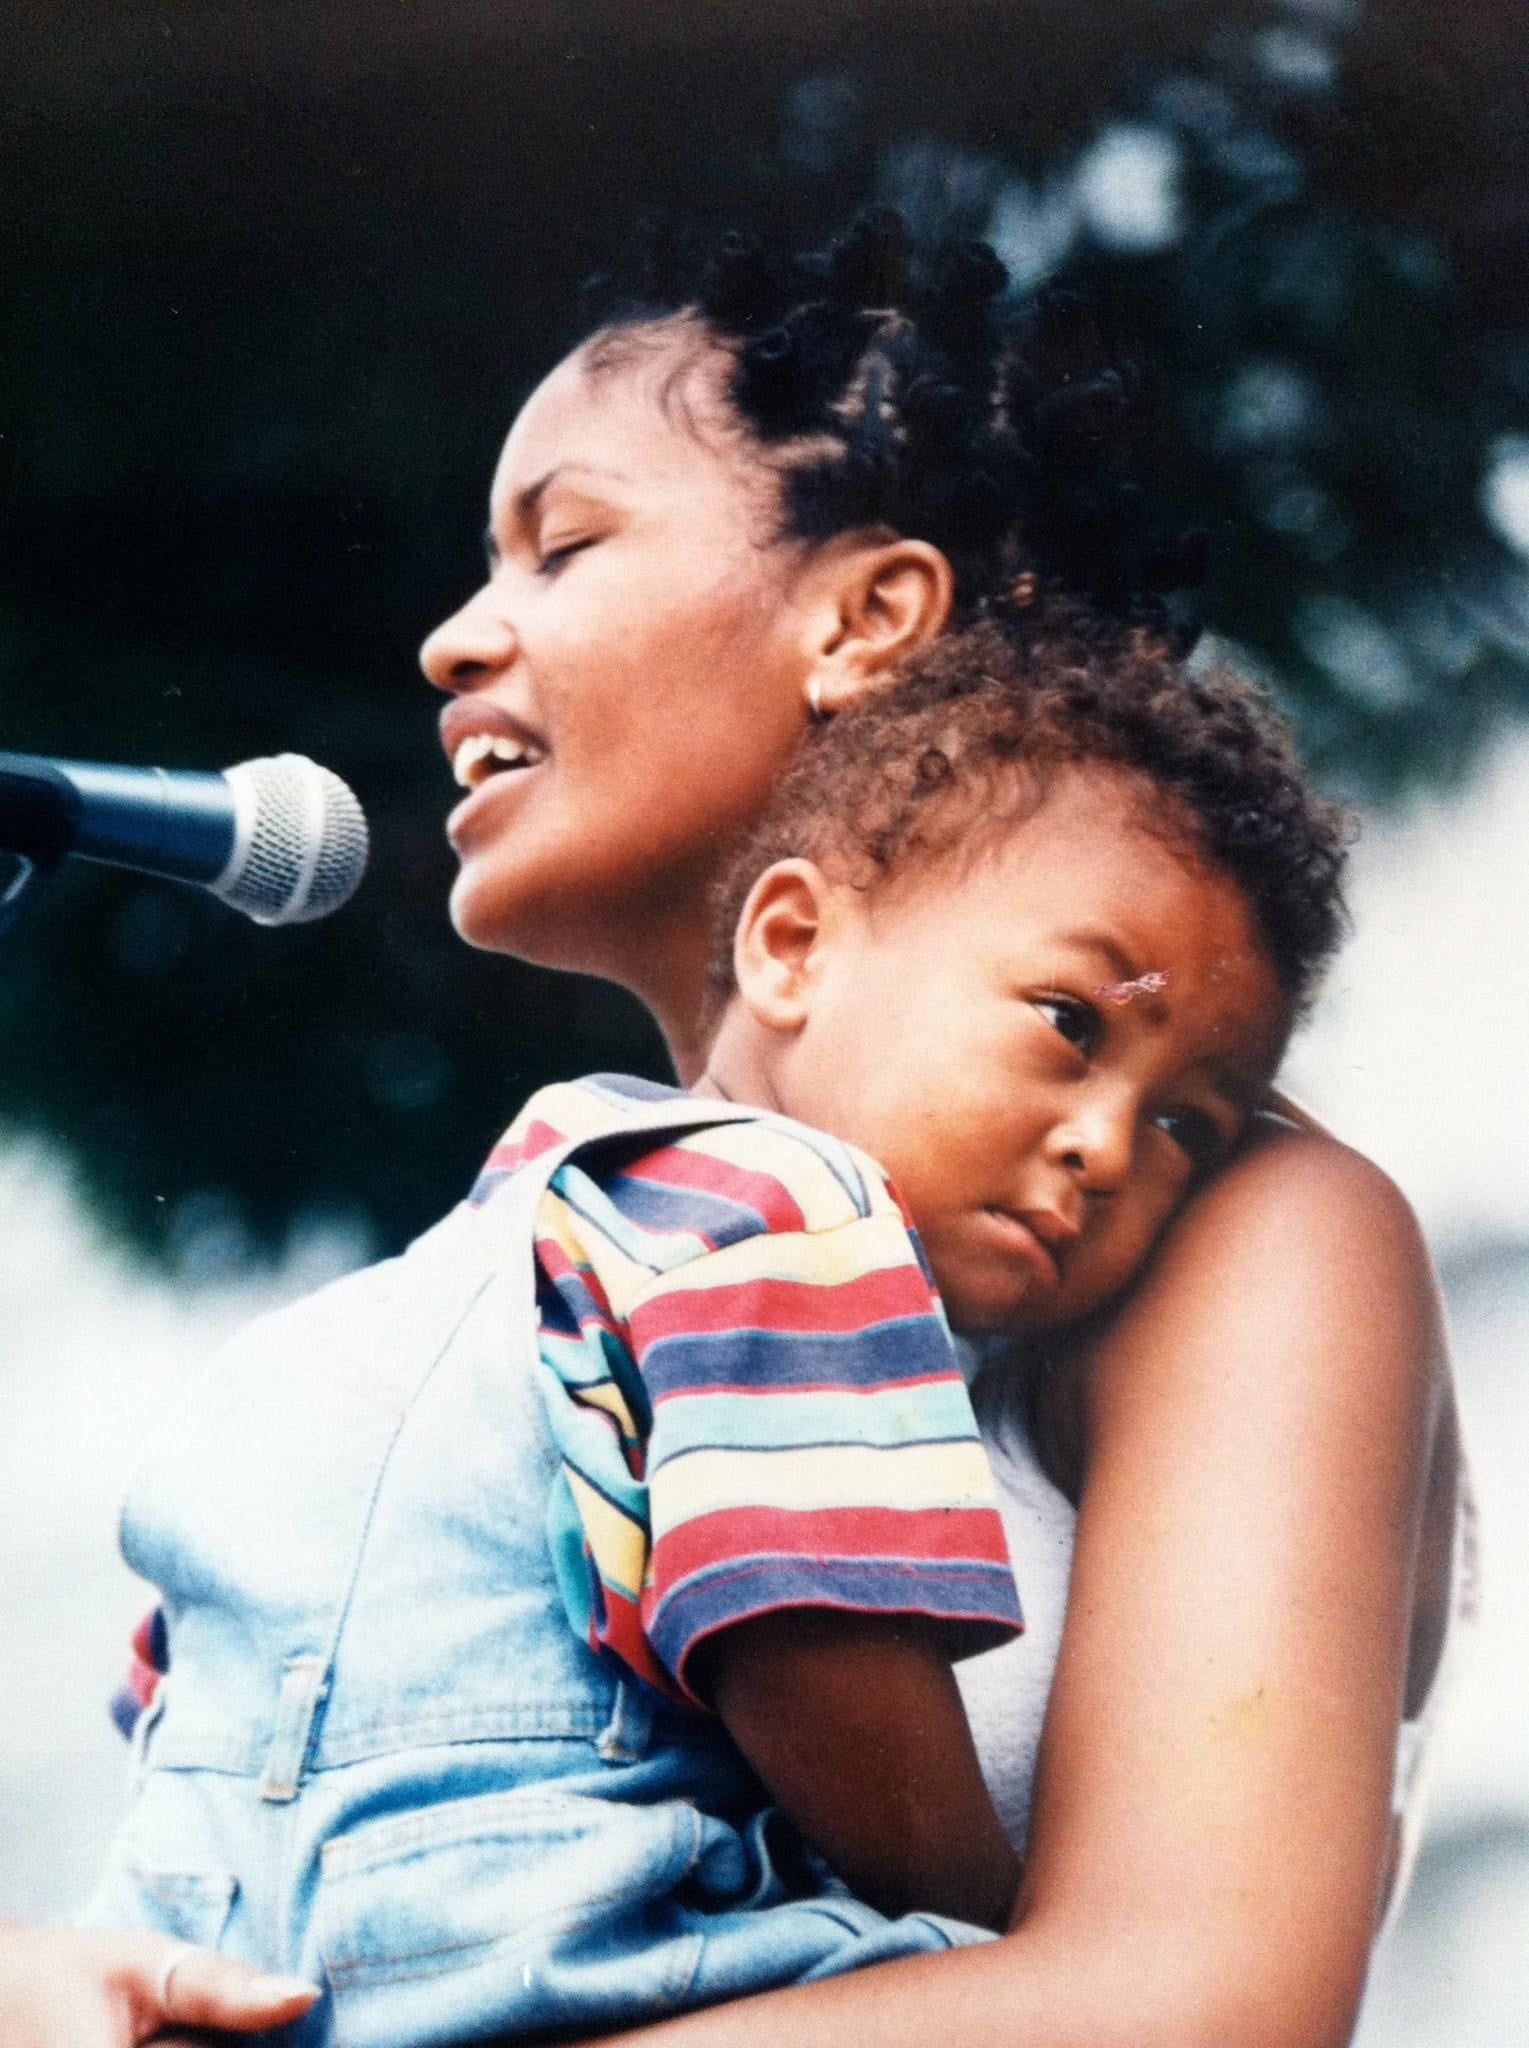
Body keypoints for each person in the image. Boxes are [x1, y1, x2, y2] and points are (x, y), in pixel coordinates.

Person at [10, 212, 1459, 2048]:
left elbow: (1196, 2002)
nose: (460, 638)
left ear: (864, 619)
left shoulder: (1229, 1223)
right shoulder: (522, 1247)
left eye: (565, 544)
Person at [74, 625, 1349, 2047]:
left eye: (1188, 1123)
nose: (1106, 1145)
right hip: (569, 1969)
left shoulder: (400, 1306)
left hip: (234, 1987)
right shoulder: (786, 1212)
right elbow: (806, 1644)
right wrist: (993, 1934)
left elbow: (168, 1686)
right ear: (794, 947)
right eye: (1067, 1022)